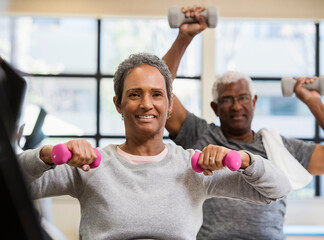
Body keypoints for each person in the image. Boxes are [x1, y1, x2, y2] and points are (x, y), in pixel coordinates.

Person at [18, 53, 291, 239]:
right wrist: (45, 156)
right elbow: (11, 185)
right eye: (134, 94)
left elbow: (277, 189)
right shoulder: (88, 165)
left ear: (170, 104)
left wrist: (244, 159)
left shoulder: (194, 167)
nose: (146, 104)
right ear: (118, 104)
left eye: (156, 94)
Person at [163, 6, 324, 240]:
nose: (237, 106)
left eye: (243, 98)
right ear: (215, 108)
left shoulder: (279, 147)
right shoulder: (199, 135)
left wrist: (312, 102)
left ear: (254, 102)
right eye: (227, 100)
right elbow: (159, 91)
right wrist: (184, 37)